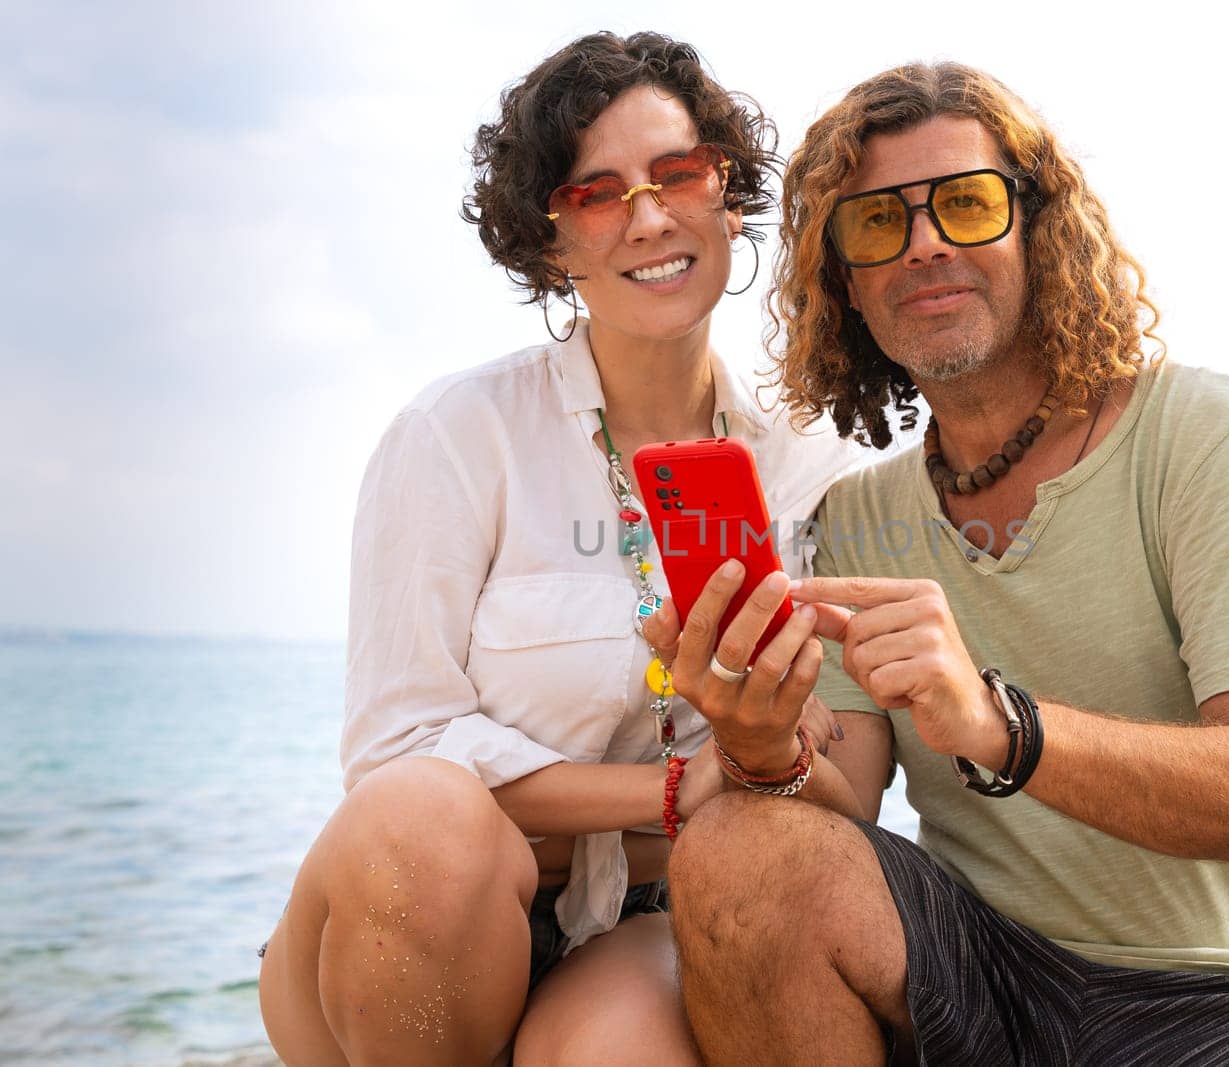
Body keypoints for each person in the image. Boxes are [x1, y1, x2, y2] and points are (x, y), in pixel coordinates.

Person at [646, 62, 1229, 1065]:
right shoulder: (858, 516)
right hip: (993, 982)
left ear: (1037, 227)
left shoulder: (1207, 435)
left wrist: (998, 723)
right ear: (844, 285)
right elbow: (838, 809)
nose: (926, 245)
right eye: (875, 225)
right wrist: (757, 743)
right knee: (736, 844)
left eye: (966, 203)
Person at [256, 32, 856, 1066]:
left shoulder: (809, 470)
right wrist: (673, 790)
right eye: (597, 193)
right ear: (548, 244)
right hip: (418, 908)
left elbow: (832, 773)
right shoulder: (457, 433)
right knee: (425, 810)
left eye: (679, 174)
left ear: (728, 194)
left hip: (638, 915)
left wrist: (753, 757)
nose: (650, 216)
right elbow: (399, 751)